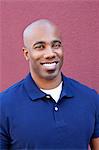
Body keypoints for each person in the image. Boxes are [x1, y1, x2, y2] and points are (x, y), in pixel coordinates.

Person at [0, 19, 99, 150]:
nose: (50, 53)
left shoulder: (90, 98)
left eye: (56, 45)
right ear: (26, 53)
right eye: (40, 47)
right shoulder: (4, 105)